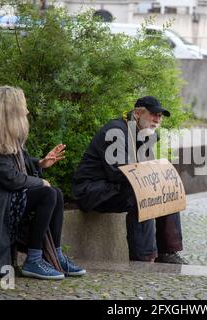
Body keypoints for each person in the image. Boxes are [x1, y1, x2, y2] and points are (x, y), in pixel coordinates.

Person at [0, 86, 86, 280]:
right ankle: (34, 259)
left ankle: (55, 255)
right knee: (48, 193)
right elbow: (9, 177)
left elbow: (19, 165)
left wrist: (40, 163)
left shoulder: (10, 135)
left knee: (56, 193)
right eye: (23, 106)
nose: (27, 111)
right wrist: (40, 182)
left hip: (6, 196)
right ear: (10, 110)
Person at [71, 96, 188, 264]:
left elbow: (146, 171)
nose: (157, 120)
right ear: (138, 113)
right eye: (154, 114)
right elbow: (118, 173)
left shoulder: (143, 134)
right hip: (91, 190)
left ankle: (167, 252)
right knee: (142, 195)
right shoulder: (116, 131)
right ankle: (143, 258)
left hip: (112, 187)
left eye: (160, 116)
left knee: (166, 190)